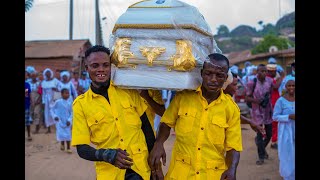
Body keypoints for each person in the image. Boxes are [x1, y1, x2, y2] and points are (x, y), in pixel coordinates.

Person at [148, 53, 242, 180]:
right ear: (202, 73)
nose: (213, 79)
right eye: (209, 74)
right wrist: (159, 144)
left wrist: (232, 170)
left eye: (219, 75)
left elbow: (233, 147)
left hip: (212, 175)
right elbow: (166, 123)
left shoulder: (231, 109)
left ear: (226, 77)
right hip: (181, 173)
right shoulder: (183, 97)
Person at [71, 45, 152, 180]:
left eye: (105, 65)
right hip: (110, 173)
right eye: (95, 66)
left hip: (140, 169)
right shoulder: (81, 104)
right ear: (87, 69)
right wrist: (106, 155)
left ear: (111, 66)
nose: (101, 70)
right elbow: (82, 148)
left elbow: (146, 129)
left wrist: (155, 166)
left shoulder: (128, 92)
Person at [245, 64, 274, 165]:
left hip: (267, 111)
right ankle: (261, 156)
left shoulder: (270, 81)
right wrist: (257, 101)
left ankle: (261, 146)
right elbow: (247, 98)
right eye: (262, 71)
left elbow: (271, 93)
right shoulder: (251, 82)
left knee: (269, 134)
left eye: (265, 71)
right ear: (257, 72)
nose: (264, 73)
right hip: (257, 112)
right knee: (260, 134)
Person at [272, 77, 295, 180]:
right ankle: (288, 175)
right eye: (289, 85)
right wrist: (288, 117)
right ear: (285, 87)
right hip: (286, 131)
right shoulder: (281, 101)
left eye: (293, 85)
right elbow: (275, 116)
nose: (291, 87)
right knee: (287, 153)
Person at [266, 63, 284, 150]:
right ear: (270, 71)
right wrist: (280, 77)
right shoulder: (269, 79)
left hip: (274, 103)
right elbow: (276, 87)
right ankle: (273, 141)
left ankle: (273, 140)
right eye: (274, 71)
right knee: (274, 123)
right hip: (272, 103)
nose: (275, 73)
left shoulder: (271, 78)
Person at [50, 88, 73, 154]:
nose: (67, 94)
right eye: (66, 93)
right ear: (62, 94)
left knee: (68, 134)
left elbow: (72, 112)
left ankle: (68, 148)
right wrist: (55, 116)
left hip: (67, 121)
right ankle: (62, 144)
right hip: (59, 120)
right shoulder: (58, 102)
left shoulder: (70, 102)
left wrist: (69, 120)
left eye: (68, 93)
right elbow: (52, 109)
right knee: (61, 133)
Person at [41, 68, 60, 133]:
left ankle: (58, 128)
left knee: (56, 113)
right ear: (45, 74)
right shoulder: (43, 82)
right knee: (47, 114)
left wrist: (56, 89)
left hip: (54, 99)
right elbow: (43, 93)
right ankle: (48, 129)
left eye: (49, 73)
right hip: (46, 100)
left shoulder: (55, 81)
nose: (48, 74)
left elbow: (60, 89)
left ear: (51, 73)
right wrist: (43, 102)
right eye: (47, 73)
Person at [25, 71, 32, 141]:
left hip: (26, 105)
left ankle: (29, 135)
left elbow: (29, 93)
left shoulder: (27, 84)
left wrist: (31, 101)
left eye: (26, 75)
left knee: (27, 121)